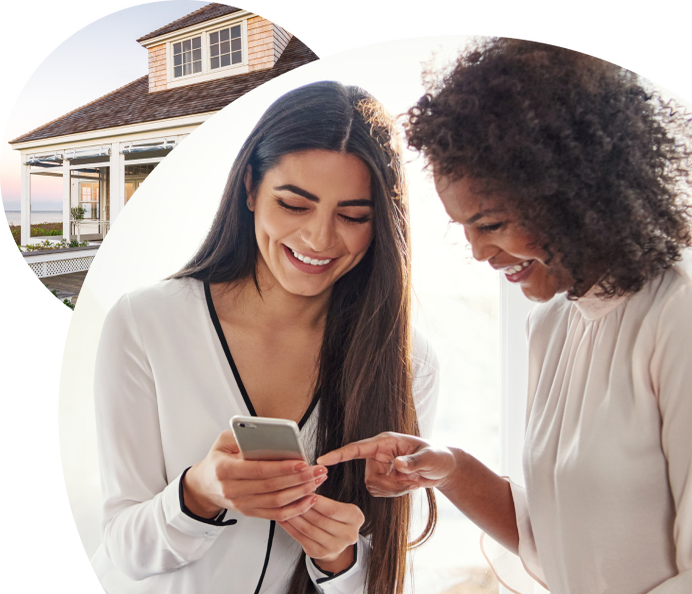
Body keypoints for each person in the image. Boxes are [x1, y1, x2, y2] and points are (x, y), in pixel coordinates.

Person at [317, 38, 692, 594]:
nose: (478, 253)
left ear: (573, 192)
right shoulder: (553, 324)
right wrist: (448, 467)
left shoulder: (677, 317)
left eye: (489, 224)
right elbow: (555, 537)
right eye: (463, 227)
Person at [91, 81, 440, 594]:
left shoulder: (407, 361)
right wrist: (199, 492)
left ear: (381, 224)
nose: (320, 239)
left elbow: (381, 580)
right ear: (251, 188)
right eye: (295, 205)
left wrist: (339, 556)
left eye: (352, 216)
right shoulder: (146, 323)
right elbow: (123, 549)